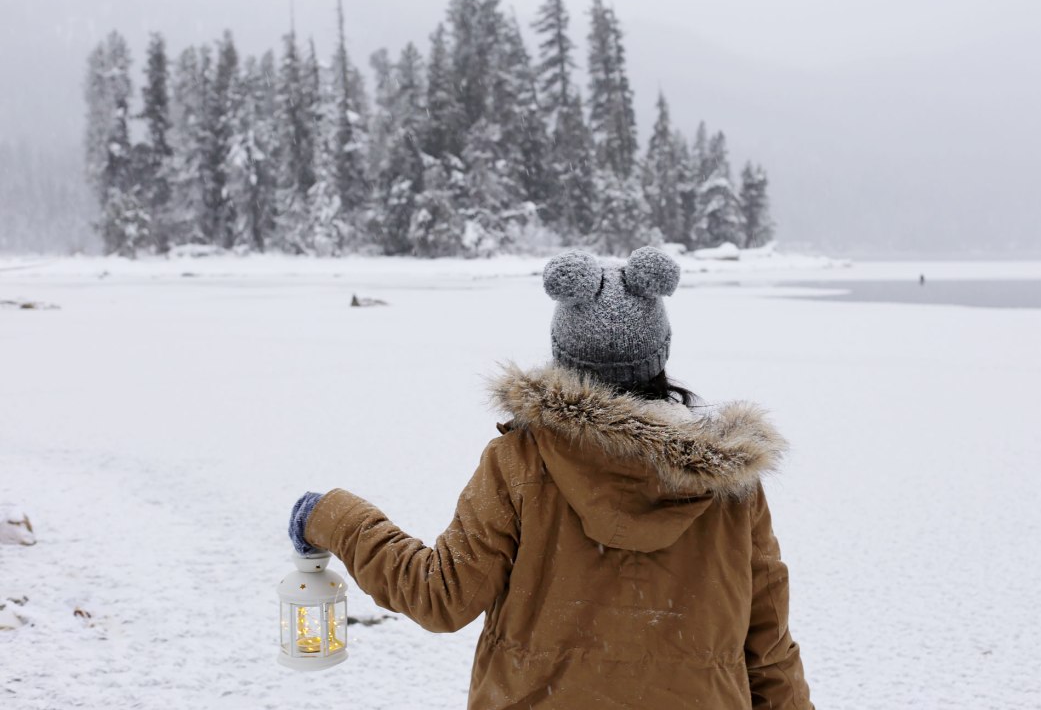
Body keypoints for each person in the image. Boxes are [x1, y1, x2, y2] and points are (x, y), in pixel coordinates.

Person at [288, 246, 815, 709]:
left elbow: (441, 596)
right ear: (659, 353)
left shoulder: (520, 463)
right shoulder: (730, 480)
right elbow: (769, 650)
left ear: (563, 357)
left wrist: (335, 517)